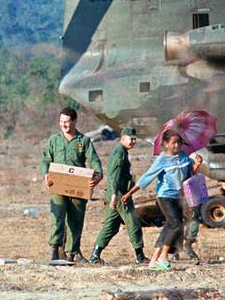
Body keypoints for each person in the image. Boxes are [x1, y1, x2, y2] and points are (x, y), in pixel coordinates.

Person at [123, 129, 203, 271]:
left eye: (179, 142)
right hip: (165, 196)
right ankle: (163, 257)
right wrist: (129, 193)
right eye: (173, 143)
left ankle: (153, 260)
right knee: (176, 224)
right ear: (166, 144)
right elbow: (147, 177)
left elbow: (189, 174)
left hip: (179, 195)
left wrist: (196, 164)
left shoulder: (184, 157)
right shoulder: (162, 160)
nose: (177, 145)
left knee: (170, 227)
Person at [40, 107, 103, 262]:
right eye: (61, 122)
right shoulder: (54, 140)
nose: (64, 125)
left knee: (76, 220)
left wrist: (98, 173)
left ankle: (73, 252)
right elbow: (46, 159)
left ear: (75, 121)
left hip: (78, 185)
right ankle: (55, 250)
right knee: (58, 217)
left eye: (67, 122)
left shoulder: (84, 141)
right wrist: (45, 174)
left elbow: (93, 159)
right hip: (58, 184)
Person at [88, 127, 146, 264]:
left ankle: (95, 255)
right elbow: (113, 175)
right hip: (119, 194)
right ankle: (140, 256)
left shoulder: (123, 151)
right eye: (130, 139)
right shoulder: (119, 152)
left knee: (111, 225)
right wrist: (114, 195)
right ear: (122, 139)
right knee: (133, 223)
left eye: (134, 139)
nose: (133, 141)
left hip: (117, 193)